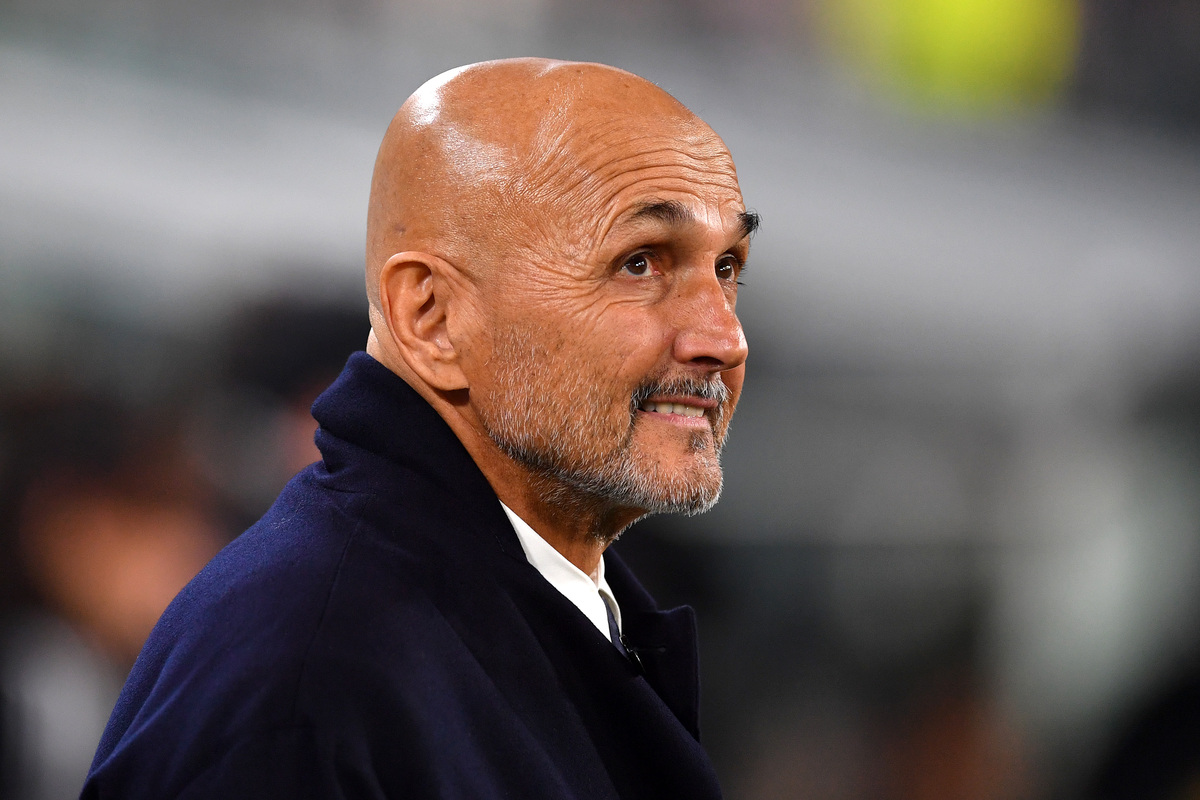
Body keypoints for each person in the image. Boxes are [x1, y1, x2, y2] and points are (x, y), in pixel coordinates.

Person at [82, 57, 757, 799]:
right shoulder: (309, 678)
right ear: (431, 318)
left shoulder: (522, 617)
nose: (723, 338)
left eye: (727, 268)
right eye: (639, 263)